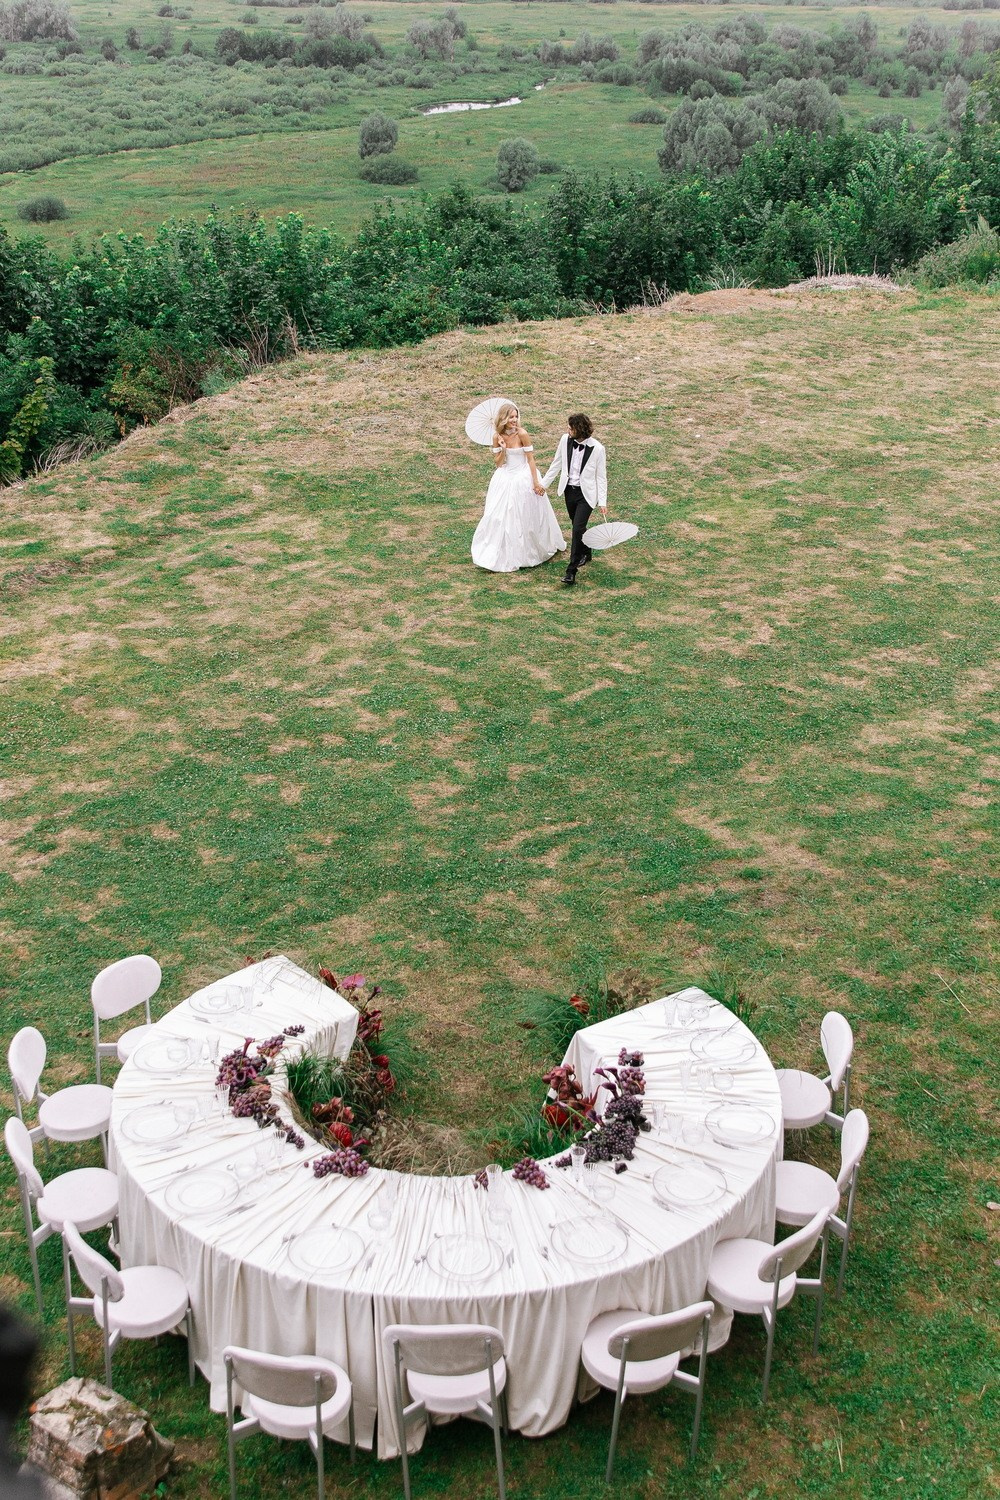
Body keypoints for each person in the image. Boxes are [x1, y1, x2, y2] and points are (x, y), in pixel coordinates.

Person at [471, 403, 566, 573]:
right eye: (511, 417)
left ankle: (529, 549)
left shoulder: (522, 434)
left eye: (516, 416)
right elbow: (498, 464)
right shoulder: (496, 437)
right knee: (498, 513)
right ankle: (501, 548)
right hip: (505, 476)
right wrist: (503, 448)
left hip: (523, 475)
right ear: (503, 419)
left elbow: (530, 459)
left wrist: (536, 481)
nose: (514, 420)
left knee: (522, 511)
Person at [539, 413, 608, 588]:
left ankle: (571, 571)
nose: (567, 430)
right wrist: (543, 485)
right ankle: (586, 551)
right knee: (578, 527)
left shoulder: (597, 449)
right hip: (569, 491)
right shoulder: (565, 440)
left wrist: (603, 502)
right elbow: (556, 464)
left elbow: (601, 477)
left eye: (571, 428)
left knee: (576, 529)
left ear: (580, 429)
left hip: (586, 495)